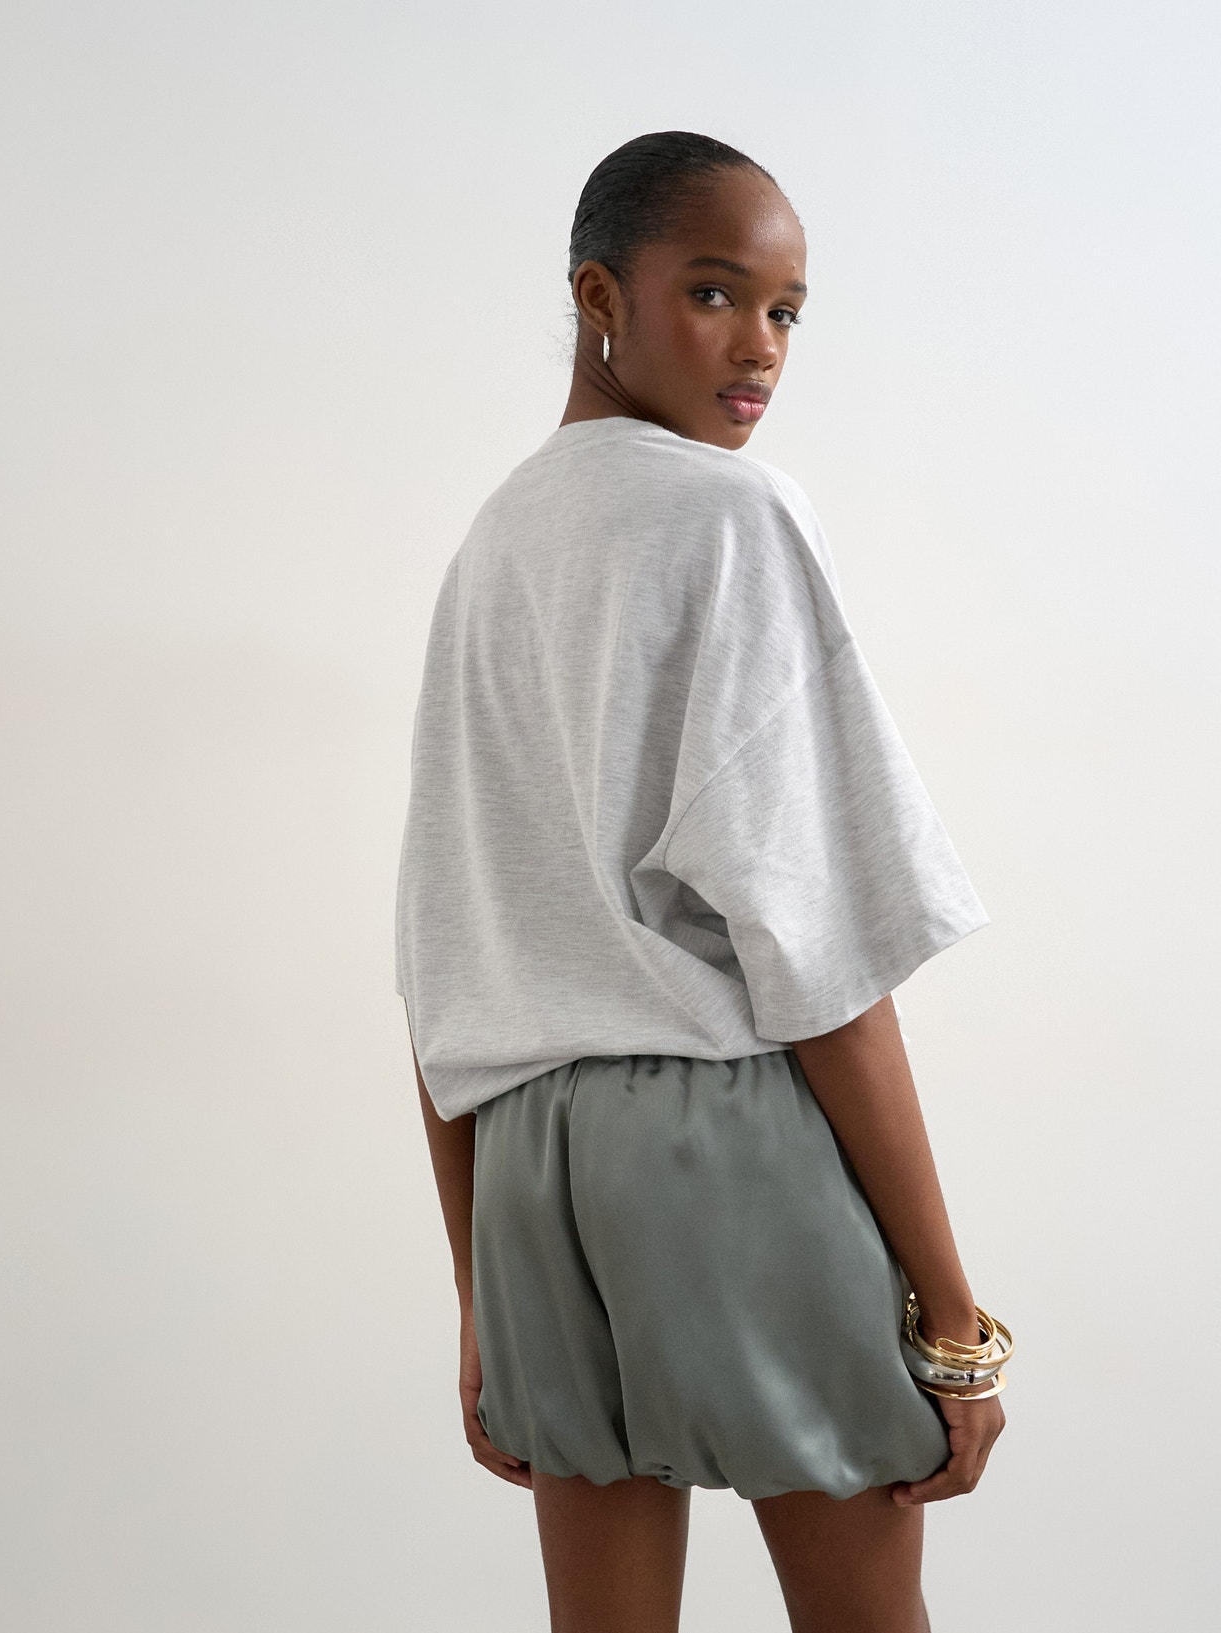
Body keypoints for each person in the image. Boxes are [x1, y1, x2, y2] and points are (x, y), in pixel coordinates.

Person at [394, 130, 1008, 1633]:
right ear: (600, 295)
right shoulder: (733, 516)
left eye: (787, 311)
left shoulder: (492, 547)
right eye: (716, 293)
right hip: (719, 1140)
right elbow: (821, 955)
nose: (760, 348)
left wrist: (482, 1288)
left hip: (528, 1172)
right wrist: (953, 1315)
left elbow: (445, 955)